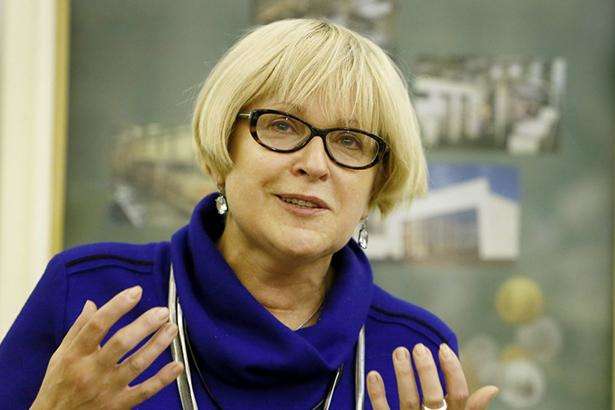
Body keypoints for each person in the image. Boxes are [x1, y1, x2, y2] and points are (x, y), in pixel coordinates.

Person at [0, 18, 498, 410]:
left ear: (376, 184)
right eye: (282, 126)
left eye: (350, 141)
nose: (314, 164)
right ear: (223, 150)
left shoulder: (415, 355)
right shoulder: (90, 296)